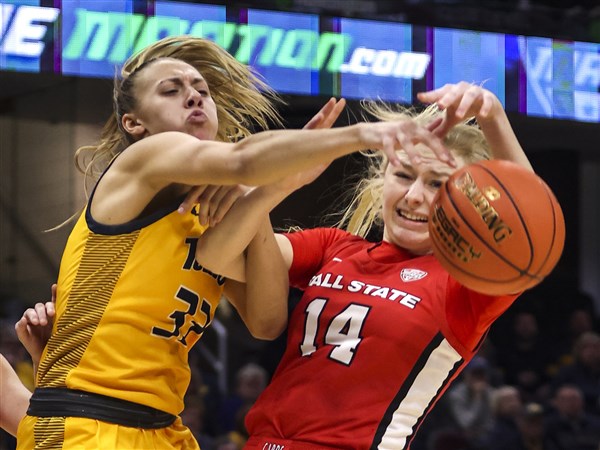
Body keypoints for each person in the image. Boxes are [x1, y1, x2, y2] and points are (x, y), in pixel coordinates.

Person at [14, 34, 449, 450]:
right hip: (83, 418)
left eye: (202, 88)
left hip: (161, 428)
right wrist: (359, 136)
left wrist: (274, 189)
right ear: (134, 124)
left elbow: (266, 322)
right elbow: (242, 160)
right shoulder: (143, 160)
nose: (195, 95)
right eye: (171, 89)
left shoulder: (220, 208)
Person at [188, 81, 537, 449]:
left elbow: (531, 232)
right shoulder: (333, 246)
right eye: (403, 175)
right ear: (380, 179)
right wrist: (275, 184)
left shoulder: (464, 285)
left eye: (437, 185)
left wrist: (493, 115)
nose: (415, 196)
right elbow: (220, 254)